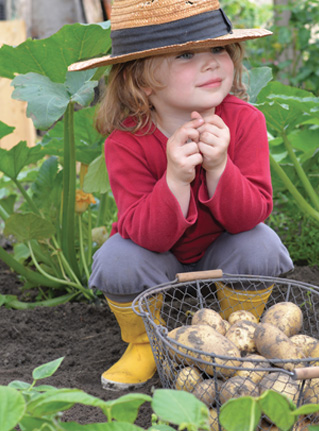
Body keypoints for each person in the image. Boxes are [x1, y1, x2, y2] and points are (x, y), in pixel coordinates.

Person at [68, 0, 294, 391]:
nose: (211, 63)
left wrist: (220, 167)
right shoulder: (126, 141)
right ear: (141, 81)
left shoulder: (245, 121)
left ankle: (237, 336)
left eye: (218, 49)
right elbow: (145, 235)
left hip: (225, 255)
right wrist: (175, 178)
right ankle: (143, 345)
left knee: (261, 243)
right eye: (187, 54)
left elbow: (251, 215)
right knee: (118, 258)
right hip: (156, 260)